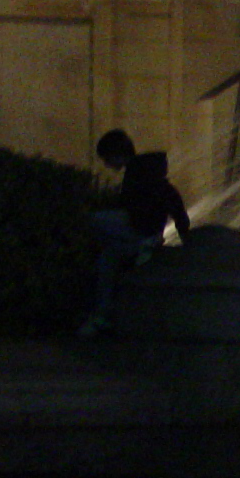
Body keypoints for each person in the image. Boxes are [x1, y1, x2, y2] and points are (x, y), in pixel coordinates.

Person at [83, 128, 191, 337]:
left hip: (141, 229)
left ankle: (142, 244)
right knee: (108, 259)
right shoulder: (145, 171)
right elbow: (173, 200)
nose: (106, 164)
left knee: (92, 220)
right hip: (144, 229)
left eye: (106, 159)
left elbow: (164, 199)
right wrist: (184, 233)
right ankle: (102, 315)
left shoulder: (138, 173)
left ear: (116, 154)